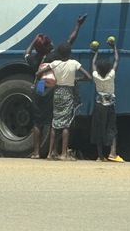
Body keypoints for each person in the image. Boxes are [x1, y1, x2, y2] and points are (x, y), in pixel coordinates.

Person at [23, 13, 88, 159]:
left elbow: (25, 53)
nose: (52, 43)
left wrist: (34, 41)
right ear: (47, 47)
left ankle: (36, 152)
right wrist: (78, 25)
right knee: (54, 120)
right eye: (49, 42)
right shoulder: (55, 56)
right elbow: (70, 40)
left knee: (38, 121)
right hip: (53, 87)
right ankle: (52, 151)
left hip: (40, 86)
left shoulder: (34, 59)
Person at [40, 41, 92, 161]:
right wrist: (78, 78)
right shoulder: (74, 63)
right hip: (68, 93)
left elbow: (39, 72)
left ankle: (50, 153)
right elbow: (88, 77)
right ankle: (63, 153)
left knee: (55, 122)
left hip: (57, 92)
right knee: (66, 125)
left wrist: (46, 78)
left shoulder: (55, 63)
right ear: (69, 53)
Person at [90, 36, 123, 162]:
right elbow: (116, 60)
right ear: (109, 69)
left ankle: (100, 156)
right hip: (110, 106)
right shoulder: (111, 76)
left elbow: (93, 64)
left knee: (98, 128)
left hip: (99, 106)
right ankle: (112, 153)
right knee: (112, 128)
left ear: (98, 69)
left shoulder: (96, 76)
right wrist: (114, 47)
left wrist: (96, 52)